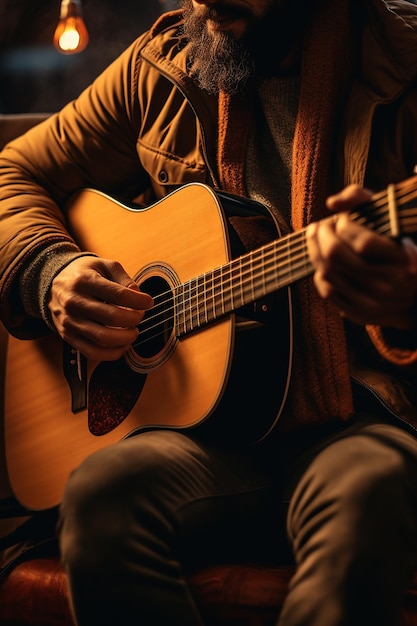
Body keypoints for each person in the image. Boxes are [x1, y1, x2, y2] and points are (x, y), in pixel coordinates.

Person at [2, 0, 417, 624]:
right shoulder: (162, 65)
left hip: (356, 412)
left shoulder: (402, 60)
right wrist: (51, 272)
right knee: (100, 494)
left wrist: (407, 300)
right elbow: (14, 167)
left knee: (367, 493)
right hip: (203, 426)